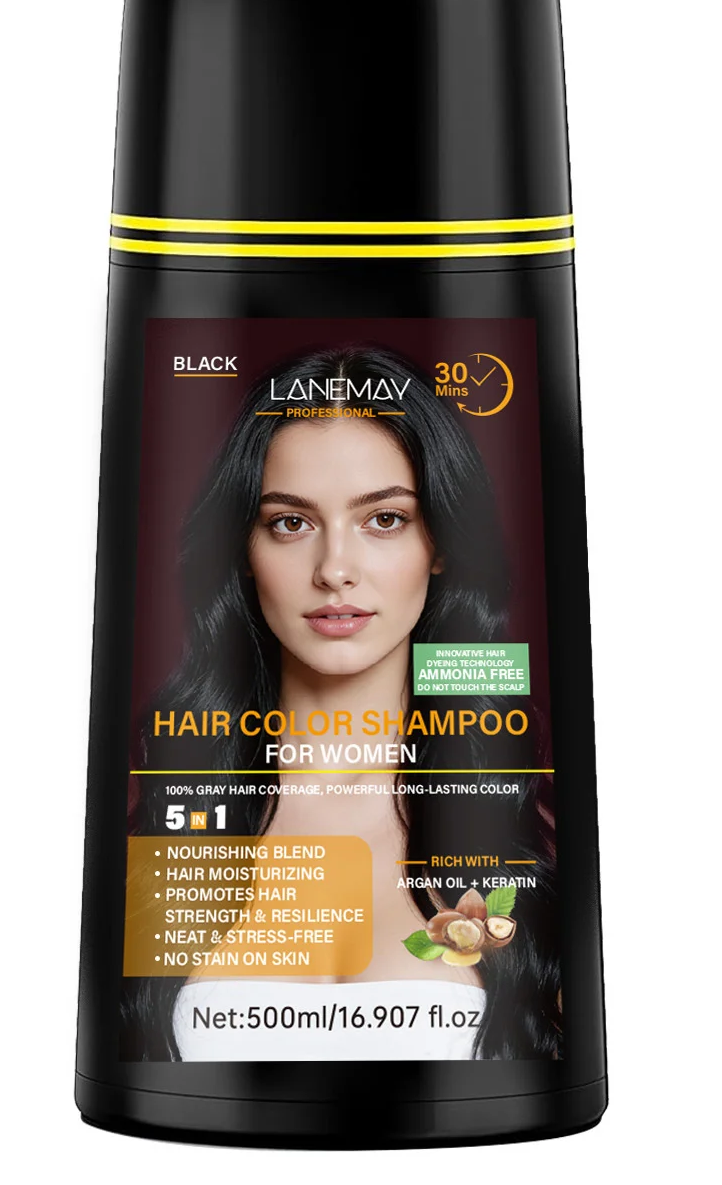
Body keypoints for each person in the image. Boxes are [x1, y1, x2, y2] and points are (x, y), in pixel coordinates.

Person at [121, 346, 560, 1060]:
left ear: (441, 542)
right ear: (243, 549)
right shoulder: (168, 826)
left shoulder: (534, 842)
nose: (334, 570)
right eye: (289, 523)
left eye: (384, 519)